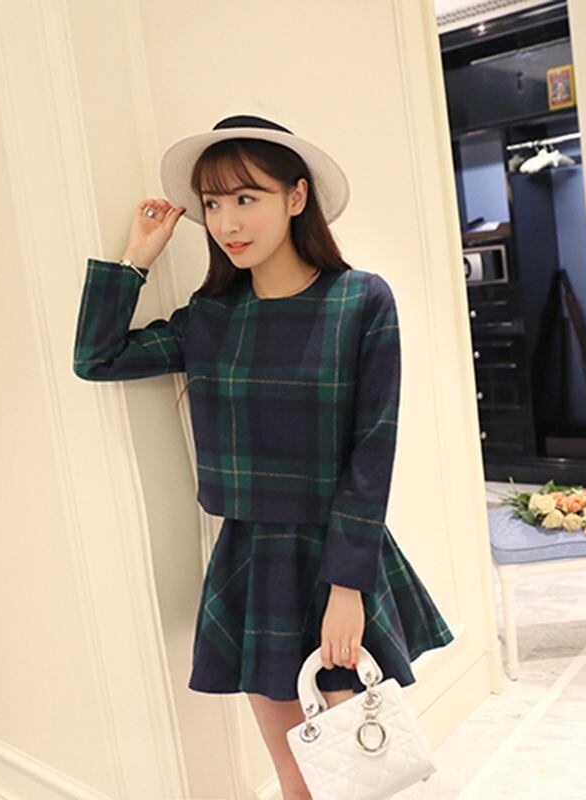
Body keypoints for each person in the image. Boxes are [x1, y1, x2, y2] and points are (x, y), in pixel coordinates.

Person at [72, 113, 454, 800]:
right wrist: (136, 260)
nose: (227, 222)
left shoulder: (360, 300)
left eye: (246, 198)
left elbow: (373, 450)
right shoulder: (212, 317)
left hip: (337, 553)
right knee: (297, 780)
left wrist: (347, 589)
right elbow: (96, 359)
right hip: (251, 560)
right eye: (213, 203)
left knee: (362, 772)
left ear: (296, 197)